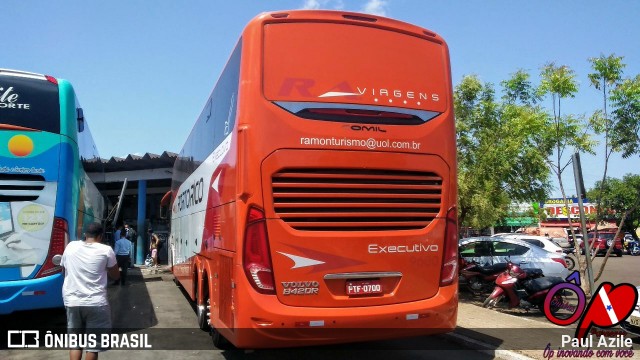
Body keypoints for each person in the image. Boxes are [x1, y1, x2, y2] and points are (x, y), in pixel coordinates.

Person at [60, 223, 119, 360]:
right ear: (100, 236)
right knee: (93, 345)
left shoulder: (71, 246)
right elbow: (115, 275)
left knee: (75, 344)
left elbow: (64, 269)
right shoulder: (106, 250)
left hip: (72, 301)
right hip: (96, 302)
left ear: (85, 234)